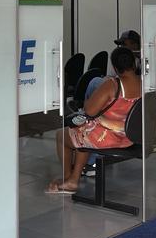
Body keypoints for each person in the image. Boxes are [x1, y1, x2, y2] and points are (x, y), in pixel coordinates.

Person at [47, 46, 141, 194]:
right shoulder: (144, 83)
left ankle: (69, 179)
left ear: (115, 68)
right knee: (83, 131)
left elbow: (90, 111)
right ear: (134, 63)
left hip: (108, 138)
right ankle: (74, 178)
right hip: (130, 136)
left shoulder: (113, 85)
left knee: (61, 135)